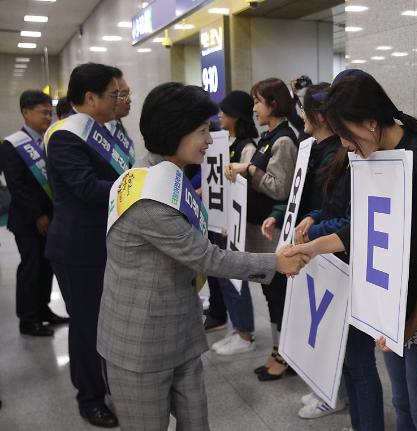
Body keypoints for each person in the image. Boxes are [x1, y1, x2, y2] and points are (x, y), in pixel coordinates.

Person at [96, 82, 307, 431]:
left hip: (181, 331)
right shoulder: (148, 196)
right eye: (201, 131)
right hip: (141, 347)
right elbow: (207, 258)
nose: (211, 140)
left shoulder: (167, 174)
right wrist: (276, 262)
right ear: (173, 132)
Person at [287, 69, 417, 430]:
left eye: (347, 136)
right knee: (403, 402)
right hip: (393, 309)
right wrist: (316, 246)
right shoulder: (375, 158)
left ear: (370, 122)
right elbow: (364, 229)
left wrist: (414, 321)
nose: (345, 146)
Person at [44, 62, 130, 428]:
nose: (120, 100)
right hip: (79, 250)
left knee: (104, 322)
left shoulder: (101, 130)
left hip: (104, 244)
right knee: (86, 324)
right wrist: (138, 187)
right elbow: (84, 187)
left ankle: (106, 384)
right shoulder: (66, 135)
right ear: (90, 97)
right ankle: (90, 397)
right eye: (115, 94)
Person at [261, 83, 350, 419]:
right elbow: (297, 196)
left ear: (320, 115)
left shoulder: (335, 154)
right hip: (309, 243)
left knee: (332, 333)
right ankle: (326, 389)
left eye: (304, 109)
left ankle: (333, 393)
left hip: (324, 247)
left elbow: (329, 208)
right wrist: (278, 217)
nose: (299, 115)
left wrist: (311, 231)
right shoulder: (310, 146)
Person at [225, 78, 299, 381]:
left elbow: (280, 189)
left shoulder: (283, 140)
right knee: (271, 296)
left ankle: (284, 355)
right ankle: (279, 351)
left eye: (258, 102)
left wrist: (249, 169)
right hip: (261, 233)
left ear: (273, 103)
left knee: (279, 296)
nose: (254, 108)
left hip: (274, 235)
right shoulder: (270, 137)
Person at [0, 90, 69, 337]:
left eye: (49, 112)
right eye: (43, 112)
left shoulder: (46, 141)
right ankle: (28, 319)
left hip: (50, 219)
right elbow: (16, 186)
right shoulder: (12, 145)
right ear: (25, 112)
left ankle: (43, 310)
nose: (48, 117)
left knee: (46, 266)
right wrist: (38, 215)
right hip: (28, 222)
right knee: (31, 268)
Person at [208, 90, 262, 355]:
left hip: (234, 225)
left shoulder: (247, 147)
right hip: (221, 221)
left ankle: (244, 333)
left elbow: (246, 190)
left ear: (236, 116)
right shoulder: (225, 143)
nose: (220, 116)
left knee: (235, 278)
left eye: (225, 112)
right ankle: (237, 327)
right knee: (225, 279)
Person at [106, 71, 135, 166]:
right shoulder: (99, 131)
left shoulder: (117, 123)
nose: (129, 100)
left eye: (128, 94)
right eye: (123, 95)